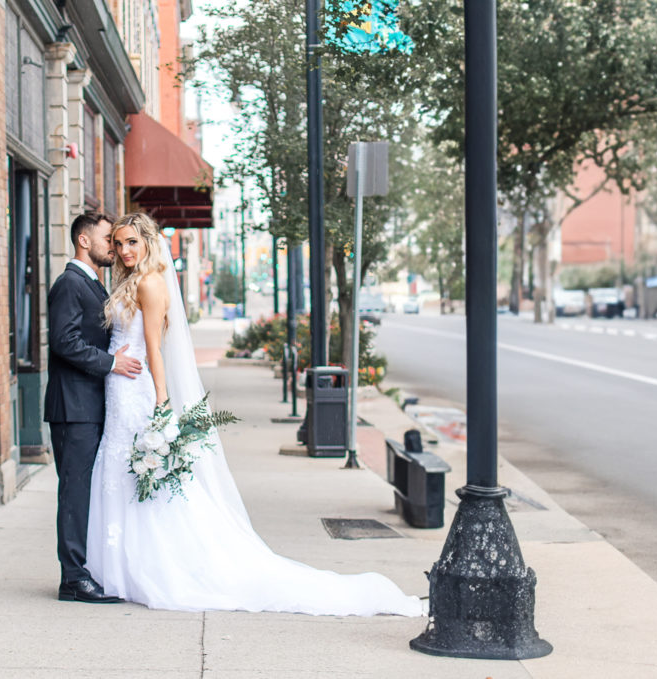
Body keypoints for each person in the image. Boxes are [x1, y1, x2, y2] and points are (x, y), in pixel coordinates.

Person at [85, 213, 422, 616]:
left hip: (137, 391)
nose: (123, 251)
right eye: (118, 244)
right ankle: (122, 568)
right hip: (119, 389)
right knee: (121, 473)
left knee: (142, 475)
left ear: (148, 244)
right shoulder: (128, 281)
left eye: (131, 243)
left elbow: (154, 349)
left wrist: (161, 403)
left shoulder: (152, 283)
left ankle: (154, 566)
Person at [44, 211, 143, 603]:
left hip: (90, 405)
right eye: (108, 240)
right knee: (74, 493)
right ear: (84, 241)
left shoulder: (94, 283)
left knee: (83, 491)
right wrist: (111, 363)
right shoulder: (69, 283)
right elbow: (63, 342)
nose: (114, 247)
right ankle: (73, 579)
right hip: (73, 408)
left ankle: (83, 570)